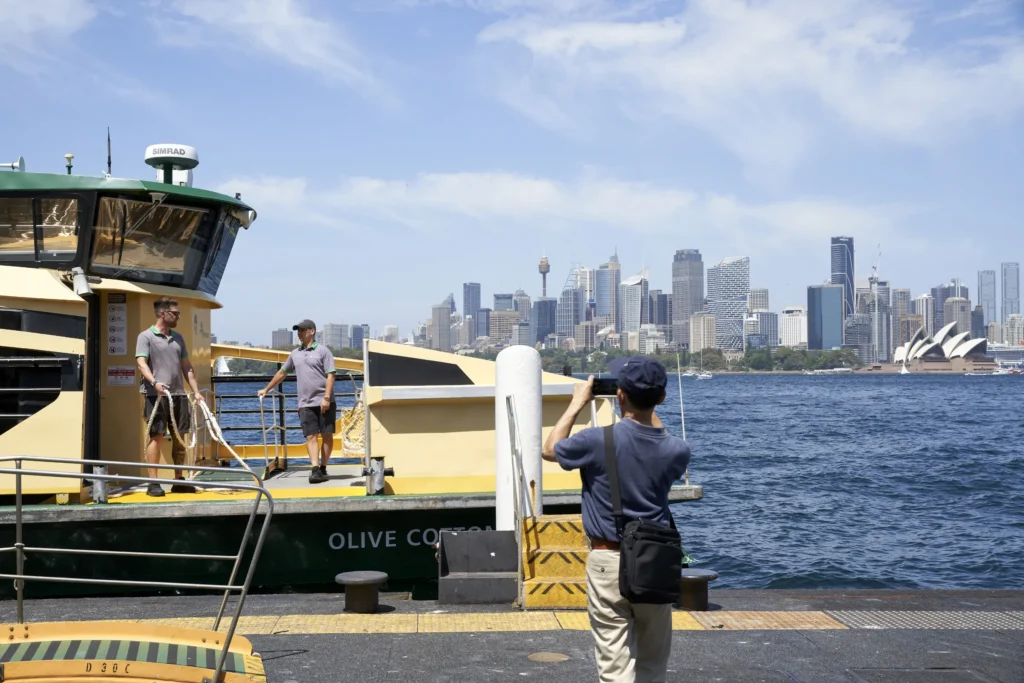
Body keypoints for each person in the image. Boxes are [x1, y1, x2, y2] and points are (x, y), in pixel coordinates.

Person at [542, 356, 690, 683]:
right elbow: (653, 432)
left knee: (614, 663)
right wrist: (646, 404)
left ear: (619, 395)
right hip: (655, 561)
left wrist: (578, 403)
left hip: (608, 558)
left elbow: (551, 449)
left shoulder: (597, 441)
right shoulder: (678, 450)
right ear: (662, 398)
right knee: (653, 663)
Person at [136, 297, 205, 497]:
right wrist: (154, 383)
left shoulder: (178, 338)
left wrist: (197, 391)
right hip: (155, 395)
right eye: (175, 313)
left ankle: (179, 479)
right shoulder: (146, 336)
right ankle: (153, 483)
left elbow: (187, 367)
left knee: (180, 436)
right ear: (163, 314)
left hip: (178, 394)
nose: (178, 317)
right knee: (156, 436)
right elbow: (142, 363)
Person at [258, 320, 336, 484]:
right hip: (305, 403)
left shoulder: (323, 351)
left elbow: (331, 374)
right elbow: (282, 372)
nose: (299, 333)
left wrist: (327, 398)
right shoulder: (295, 353)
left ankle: (323, 467)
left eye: (302, 330)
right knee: (311, 436)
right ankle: (315, 469)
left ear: (312, 331)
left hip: (324, 401)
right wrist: (266, 389)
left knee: (327, 436)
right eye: (298, 331)